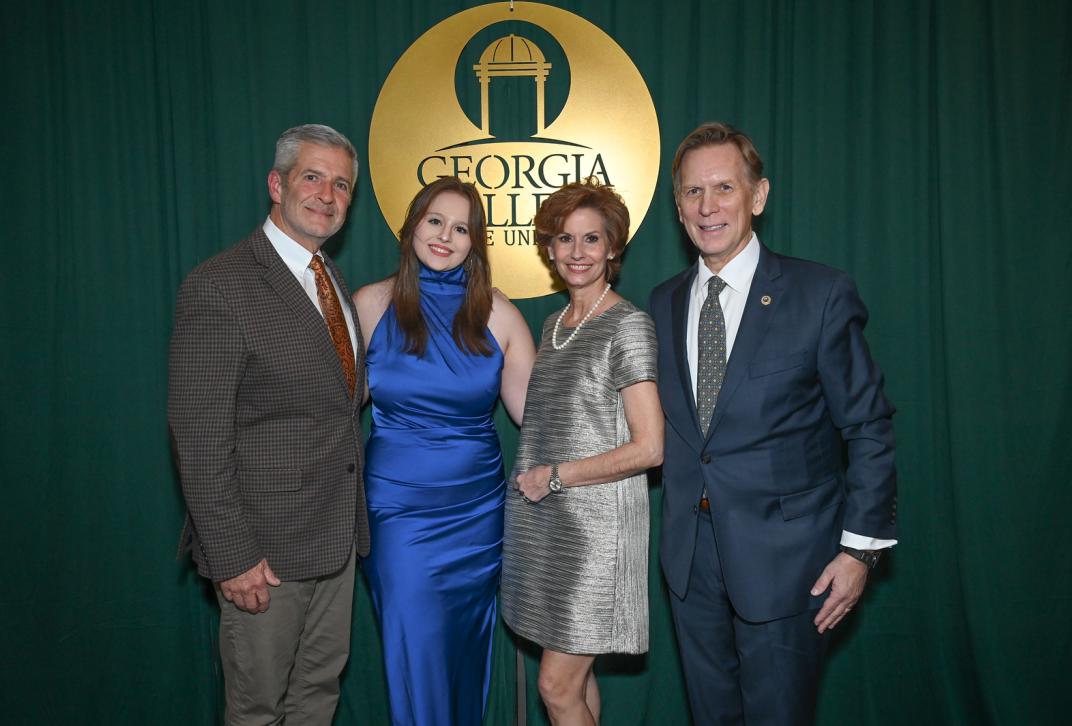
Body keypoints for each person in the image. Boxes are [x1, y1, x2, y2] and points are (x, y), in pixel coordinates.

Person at [649, 121, 898, 725]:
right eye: (692, 192)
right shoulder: (663, 302)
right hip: (690, 559)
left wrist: (859, 552)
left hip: (790, 562)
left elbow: (868, 426)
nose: (707, 206)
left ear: (757, 196)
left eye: (724, 188)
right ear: (678, 207)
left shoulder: (819, 293)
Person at [168, 124, 366, 725]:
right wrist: (233, 556)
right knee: (258, 710)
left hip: (334, 539)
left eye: (341, 185)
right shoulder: (220, 285)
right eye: (313, 177)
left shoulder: (331, 280)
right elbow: (199, 439)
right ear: (276, 185)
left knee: (317, 697)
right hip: (264, 553)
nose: (327, 195)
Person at [352, 176, 535, 725]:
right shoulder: (370, 304)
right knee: (416, 650)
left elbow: (538, 415)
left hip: (478, 514)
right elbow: (333, 409)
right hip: (397, 513)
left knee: (464, 653)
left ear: (474, 243)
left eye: (461, 229)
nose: (444, 236)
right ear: (411, 226)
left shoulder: (498, 313)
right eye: (435, 221)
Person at [502, 179, 664, 726]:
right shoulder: (555, 325)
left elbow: (650, 447)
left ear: (613, 247)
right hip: (551, 526)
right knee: (577, 680)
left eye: (591, 239)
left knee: (555, 685)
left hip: (598, 534)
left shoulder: (628, 325)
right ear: (549, 248)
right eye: (565, 239)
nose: (577, 252)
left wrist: (555, 476)